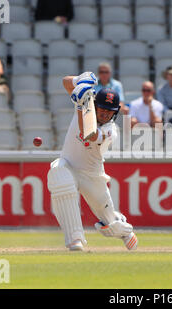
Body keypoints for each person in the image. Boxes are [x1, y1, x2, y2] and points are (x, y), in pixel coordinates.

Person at [47, 71, 138, 251]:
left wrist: (80, 106)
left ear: (115, 113)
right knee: (58, 174)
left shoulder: (111, 130)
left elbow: (89, 133)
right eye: (102, 109)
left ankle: (125, 231)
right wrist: (80, 80)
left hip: (92, 176)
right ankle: (75, 239)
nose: (104, 114)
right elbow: (65, 82)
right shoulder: (86, 100)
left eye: (109, 111)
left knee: (110, 223)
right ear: (95, 105)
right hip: (68, 165)